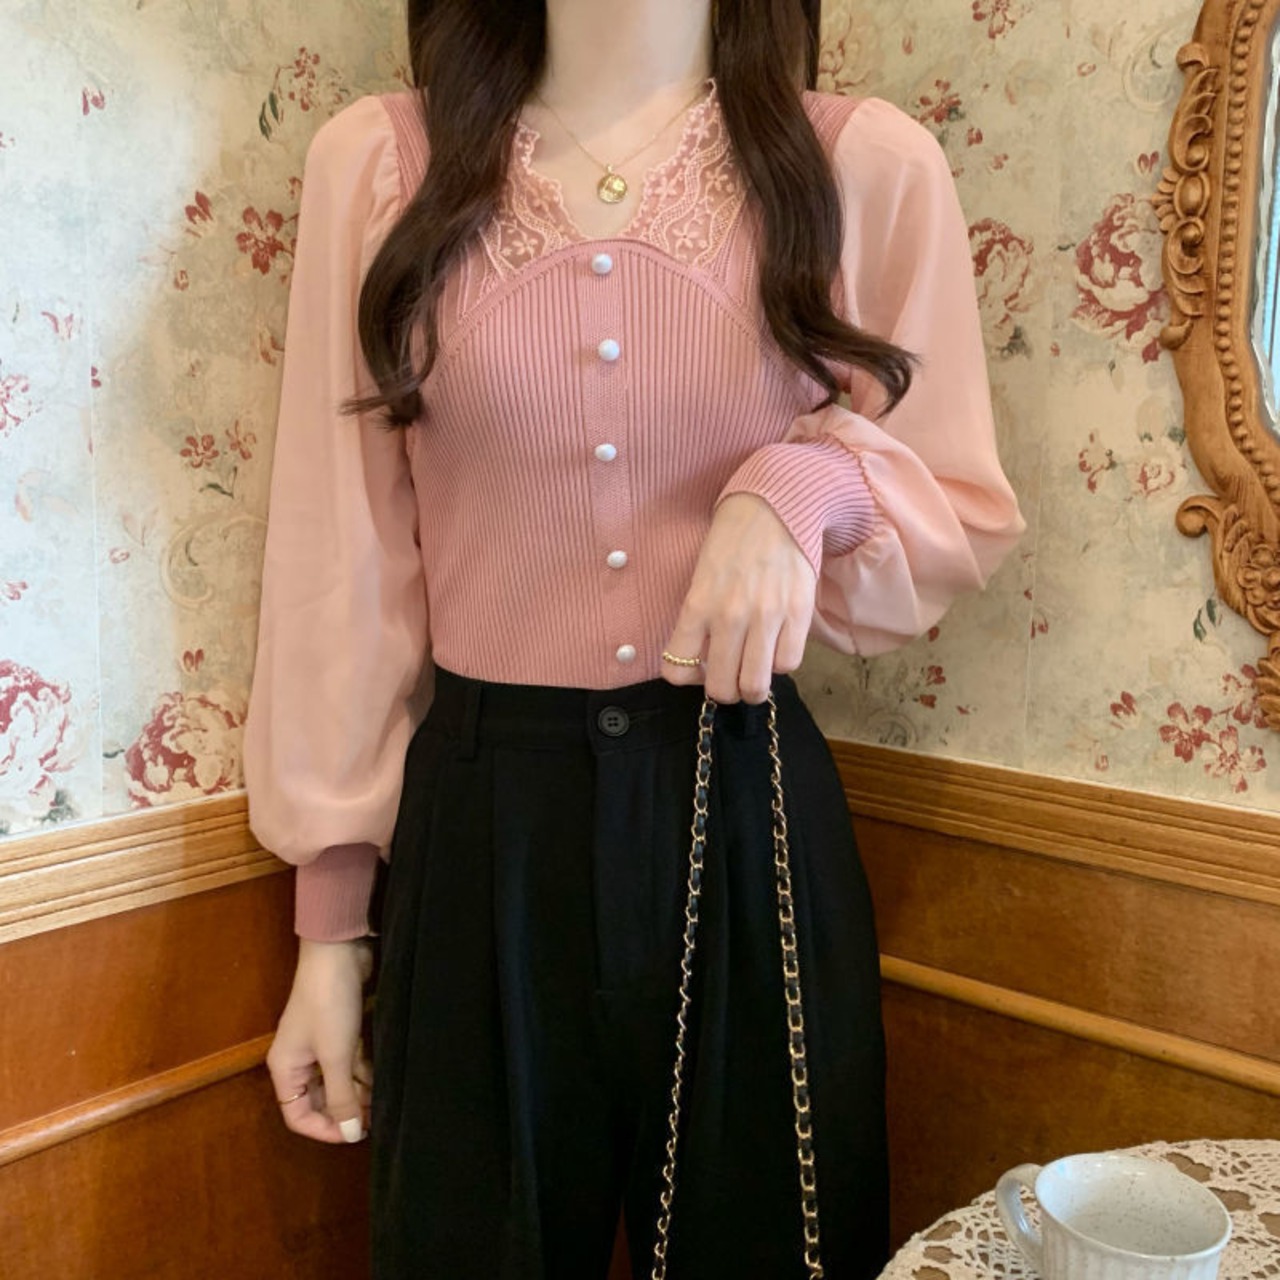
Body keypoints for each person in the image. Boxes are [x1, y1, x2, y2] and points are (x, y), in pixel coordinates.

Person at [243, 0, 1025, 1275]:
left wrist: (799, 485)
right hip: (481, 824)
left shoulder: (863, 166)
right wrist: (329, 933)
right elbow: (341, 560)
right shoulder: (379, 167)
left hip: (745, 802)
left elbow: (958, 499)